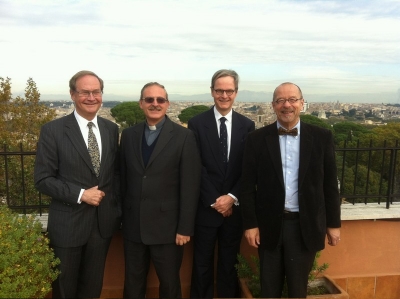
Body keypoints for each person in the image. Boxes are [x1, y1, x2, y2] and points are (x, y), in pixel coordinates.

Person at [241, 82, 341, 298]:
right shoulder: (256, 139)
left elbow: (330, 184)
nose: (287, 105)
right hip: (269, 225)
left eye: (292, 99)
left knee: (298, 289)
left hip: (304, 226)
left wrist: (333, 224)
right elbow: (247, 186)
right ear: (273, 105)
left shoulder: (322, 137)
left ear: (302, 103)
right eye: (281, 101)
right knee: (269, 289)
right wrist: (250, 224)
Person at [34, 70, 121, 298]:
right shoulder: (53, 130)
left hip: (102, 226)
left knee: (92, 289)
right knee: (64, 289)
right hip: (67, 225)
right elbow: (42, 179)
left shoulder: (111, 130)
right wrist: (81, 194)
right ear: (73, 94)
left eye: (96, 92)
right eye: (85, 92)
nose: (91, 97)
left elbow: (115, 176)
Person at [120, 82, 201, 298]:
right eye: (149, 99)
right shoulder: (128, 135)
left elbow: (190, 185)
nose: (155, 104)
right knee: (133, 283)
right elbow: (122, 179)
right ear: (141, 104)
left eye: (160, 100)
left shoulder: (184, 137)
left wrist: (184, 228)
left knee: (169, 284)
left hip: (169, 228)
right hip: (133, 225)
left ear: (167, 104)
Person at [188, 69, 255, 298]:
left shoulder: (247, 125)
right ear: (212, 92)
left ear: (236, 93)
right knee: (201, 265)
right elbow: (197, 166)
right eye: (219, 90)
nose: (224, 95)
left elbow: (246, 169)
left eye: (229, 90)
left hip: (234, 210)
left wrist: (231, 198)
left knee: (229, 266)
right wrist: (215, 201)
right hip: (207, 208)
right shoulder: (196, 123)